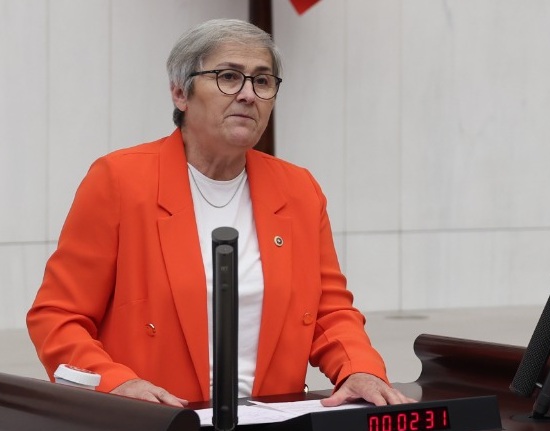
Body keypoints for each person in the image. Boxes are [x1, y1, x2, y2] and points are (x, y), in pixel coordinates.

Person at [27, 18, 413, 408]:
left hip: (272, 417)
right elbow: (57, 318)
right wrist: (116, 385)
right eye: (229, 76)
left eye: (262, 81)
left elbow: (329, 312)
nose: (248, 94)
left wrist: (358, 369)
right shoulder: (119, 180)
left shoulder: (298, 190)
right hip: (159, 420)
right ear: (180, 92)